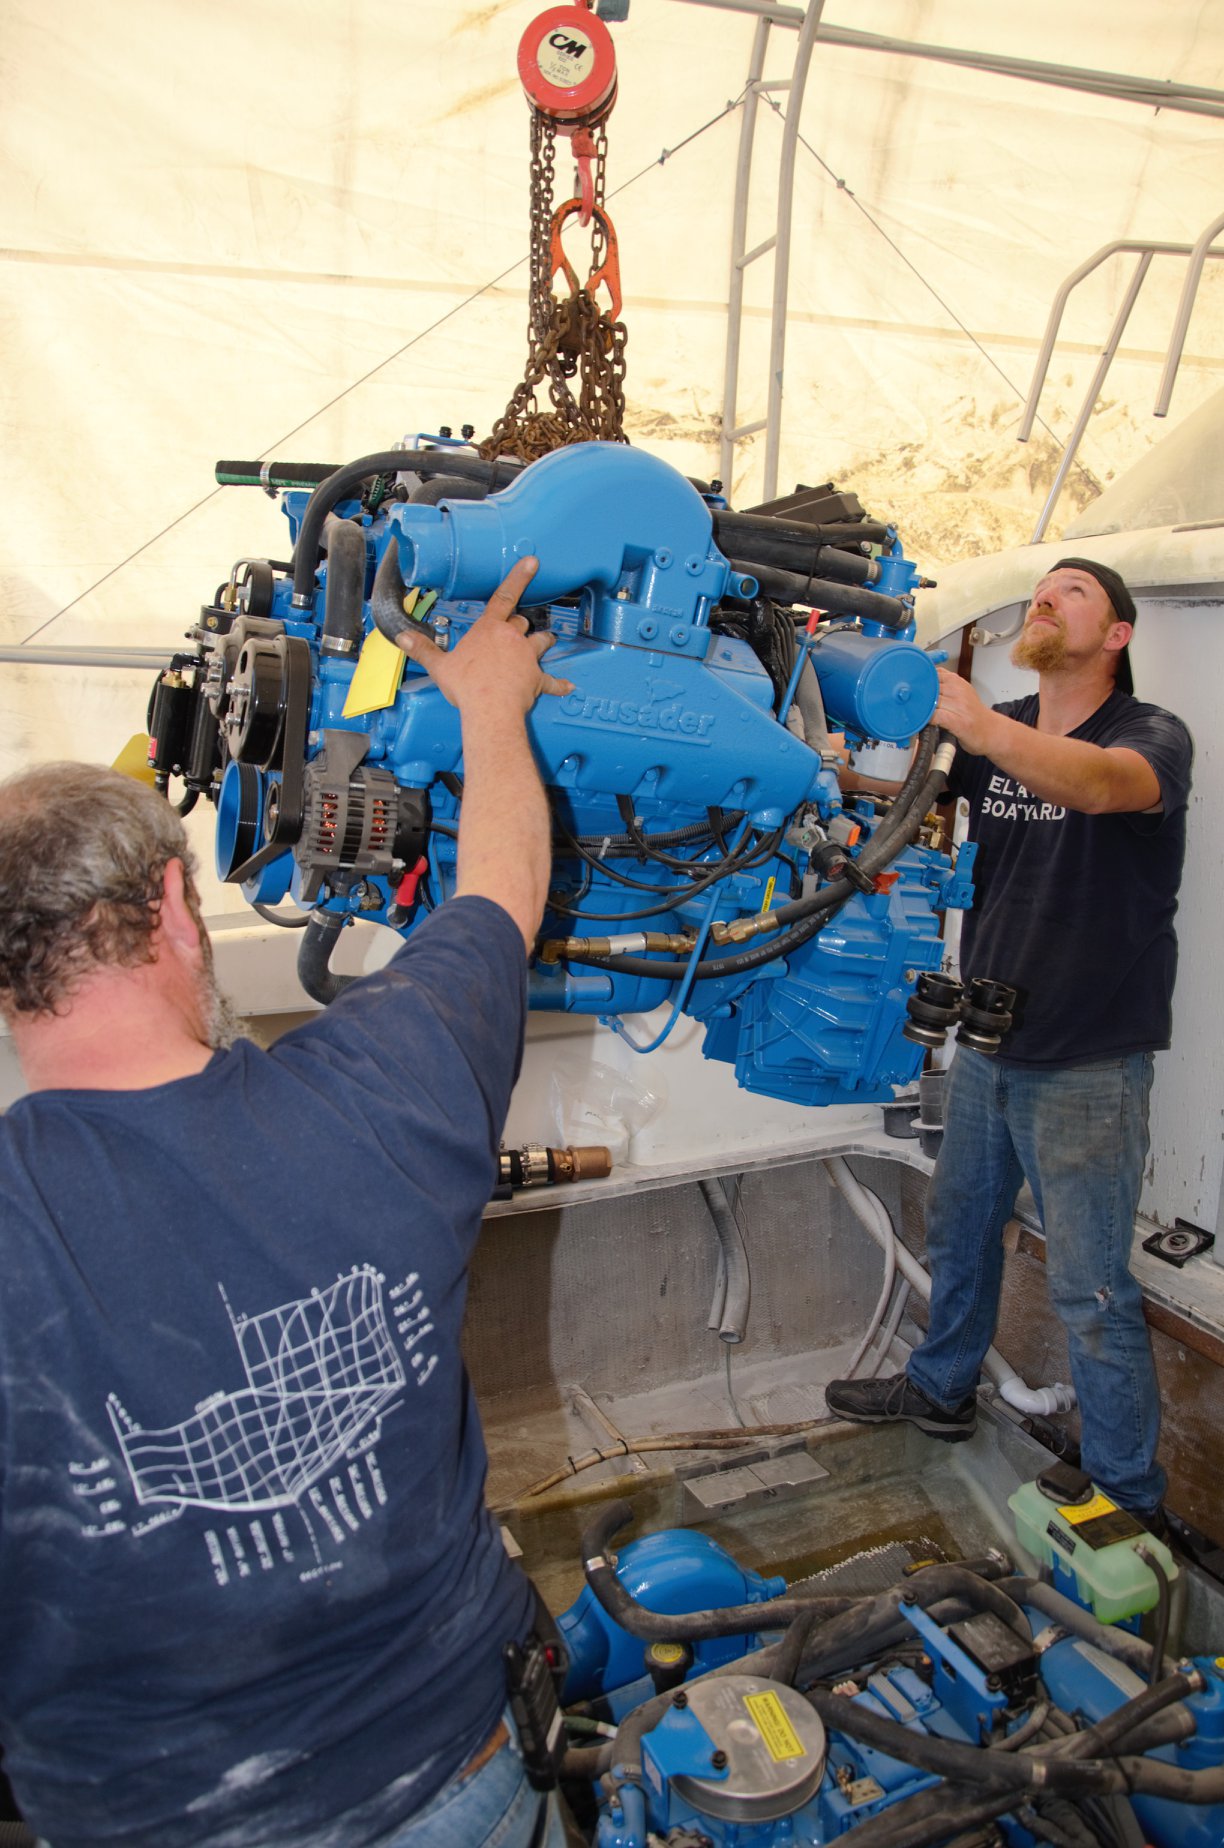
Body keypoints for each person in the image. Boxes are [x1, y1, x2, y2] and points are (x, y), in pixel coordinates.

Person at [0, 559, 580, 1847]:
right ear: (173, 908)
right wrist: (490, 707)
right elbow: (501, 896)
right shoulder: (385, 1087)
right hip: (465, 1774)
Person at [826, 559, 1193, 1528]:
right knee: (959, 1231)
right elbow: (917, 808)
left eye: (1073, 591)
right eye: (1043, 586)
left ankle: (1128, 1490)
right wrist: (822, 771)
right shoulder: (1000, 733)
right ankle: (942, 1390)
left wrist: (982, 724)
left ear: (1117, 633)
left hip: (1089, 1059)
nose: (1046, 596)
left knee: (1091, 1291)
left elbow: (1107, 788)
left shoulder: (1148, 736)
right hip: (989, 1040)